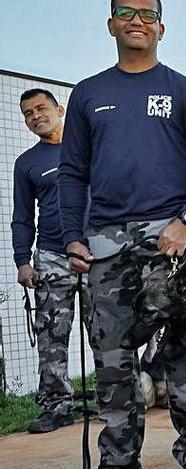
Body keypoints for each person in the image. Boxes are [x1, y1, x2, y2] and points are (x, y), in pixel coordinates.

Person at [58, 1, 186, 469]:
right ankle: (119, 459)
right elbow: (73, 173)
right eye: (126, 11)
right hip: (106, 244)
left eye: (148, 13)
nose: (138, 20)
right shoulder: (90, 94)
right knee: (112, 353)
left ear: (162, 27)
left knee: (182, 355)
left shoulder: (183, 91)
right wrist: (72, 235)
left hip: (169, 243)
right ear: (111, 23)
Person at [12, 88, 86, 434]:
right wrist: (22, 260)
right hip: (52, 257)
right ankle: (57, 406)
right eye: (28, 113)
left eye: (41, 108)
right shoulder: (27, 163)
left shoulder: (88, 145)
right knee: (51, 335)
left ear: (60, 109)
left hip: (98, 253)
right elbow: (23, 216)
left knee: (108, 333)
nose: (35, 116)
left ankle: (120, 401)